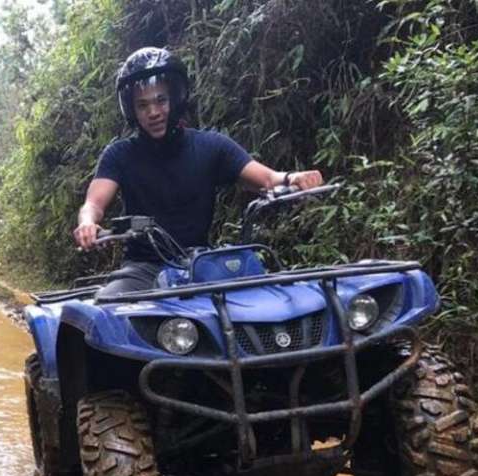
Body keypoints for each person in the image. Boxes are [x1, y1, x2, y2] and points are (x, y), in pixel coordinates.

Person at [72, 47, 323, 295]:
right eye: (143, 105)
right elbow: (94, 203)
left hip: (202, 264)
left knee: (262, 299)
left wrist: (294, 178)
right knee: (107, 304)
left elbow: (268, 178)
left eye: (161, 100)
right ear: (132, 110)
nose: (154, 112)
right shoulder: (119, 154)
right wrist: (88, 223)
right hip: (144, 269)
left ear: (175, 98)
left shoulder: (210, 146)